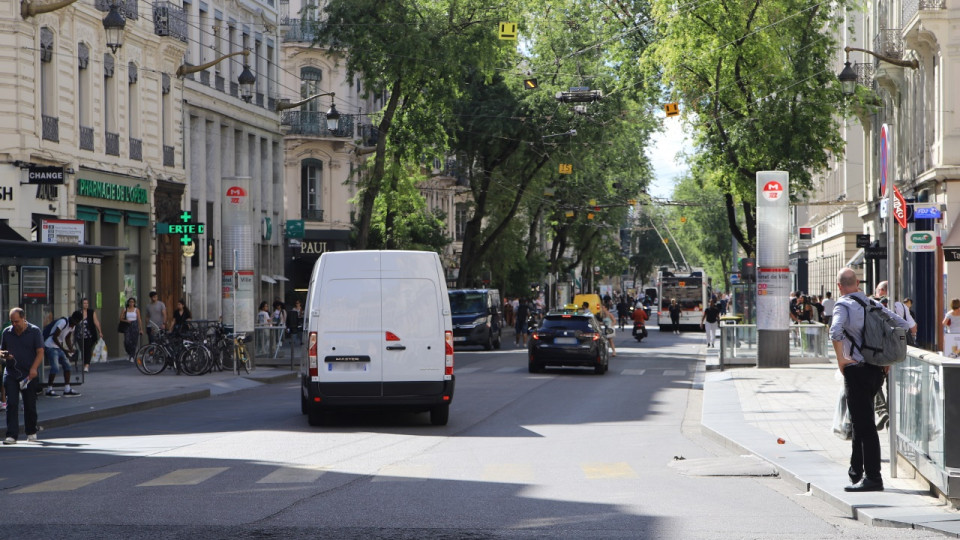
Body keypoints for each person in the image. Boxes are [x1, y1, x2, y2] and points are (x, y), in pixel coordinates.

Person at [830, 268, 911, 492]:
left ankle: (873, 478)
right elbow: (904, 326)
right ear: (857, 283)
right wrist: (887, 359)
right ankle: (856, 471)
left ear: (839, 286)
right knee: (859, 421)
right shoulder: (874, 304)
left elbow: (835, 332)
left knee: (865, 427)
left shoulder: (843, 305)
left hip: (855, 370)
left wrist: (841, 360)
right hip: (877, 371)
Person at [2, 308, 45, 444]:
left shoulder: (34, 331)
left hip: (28, 374)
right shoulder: (7, 332)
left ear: (23, 318)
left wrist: (34, 368)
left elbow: (40, 352)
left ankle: (31, 431)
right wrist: (3, 354)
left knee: (29, 404)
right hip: (11, 373)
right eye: (12, 321)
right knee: (12, 403)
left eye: (17, 321)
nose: (14, 324)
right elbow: (1, 349)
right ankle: (12, 435)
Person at [43, 313, 82, 398]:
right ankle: (49, 389)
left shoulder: (73, 326)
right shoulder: (62, 322)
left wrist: (71, 348)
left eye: (75, 324)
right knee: (55, 367)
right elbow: (54, 337)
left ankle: (67, 389)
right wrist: (64, 349)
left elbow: (67, 338)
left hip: (58, 346)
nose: (72, 326)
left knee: (67, 366)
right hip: (50, 345)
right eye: (73, 324)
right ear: (72, 319)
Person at [120, 297, 143, 362]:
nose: (131, 303)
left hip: (135, 325)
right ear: (128, 303)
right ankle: (129, 352)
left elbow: (139, 319)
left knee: (134, 341)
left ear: (134, 303)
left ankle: (132, 356)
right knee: (127, 341)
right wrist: (126, 320)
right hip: (127, 325)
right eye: (130, 302)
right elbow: (121, 318)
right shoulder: (125, 309)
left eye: (132, 302)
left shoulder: (136, 310)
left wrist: (141, 328)